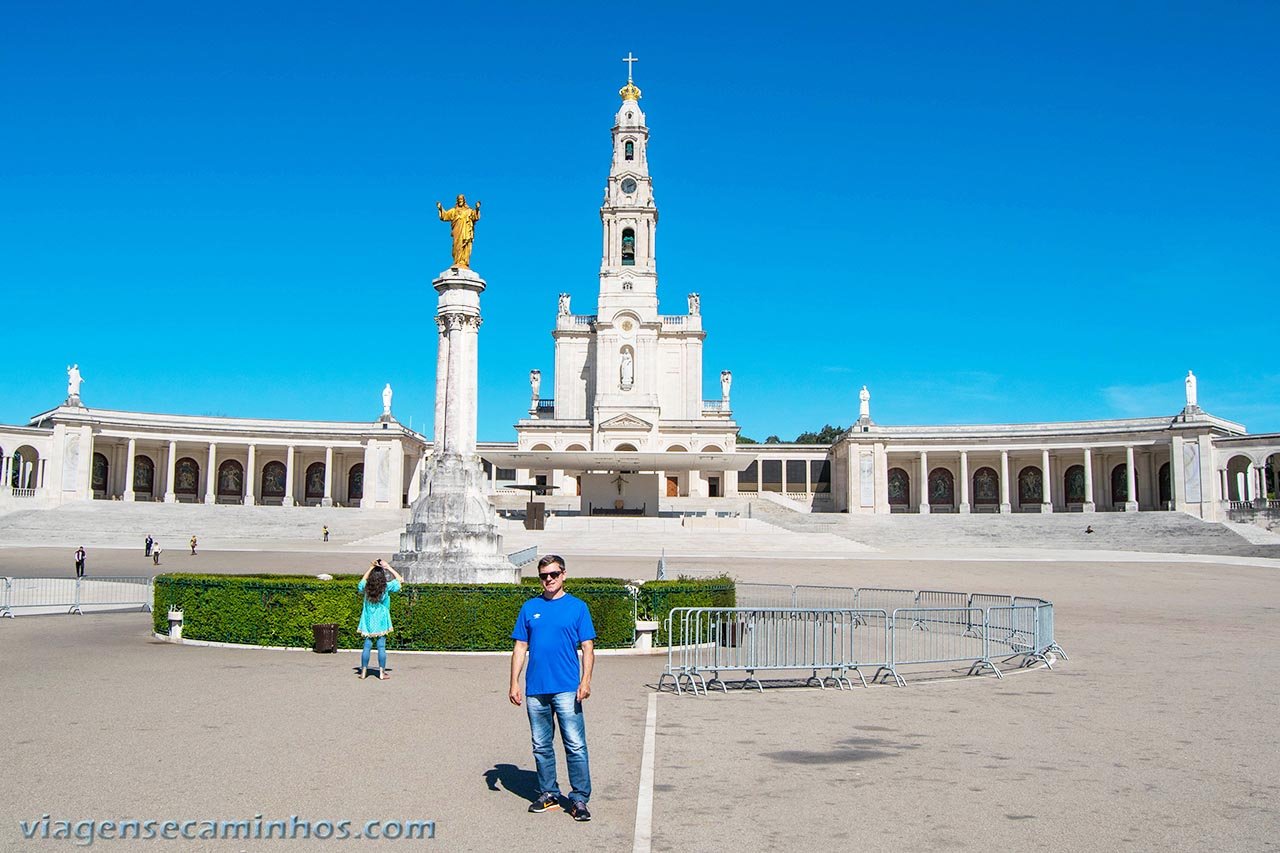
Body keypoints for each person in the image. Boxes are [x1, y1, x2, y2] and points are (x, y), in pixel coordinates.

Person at [509, 555, 595, 822]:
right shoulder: (529, 607)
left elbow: (588, 648)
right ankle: (549, 793)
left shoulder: (577, 607)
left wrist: (586, 680)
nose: (548, 580)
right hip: (536, 688)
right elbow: (520, 647)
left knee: (575, 745)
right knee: (541, 745)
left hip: (568, 687)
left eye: (553, 574)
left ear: (564, 575)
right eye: (544, 576)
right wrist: (514, 681)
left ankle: (579, 798)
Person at [357, 559, 403, 680]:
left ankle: (363, 672)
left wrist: (371, 568)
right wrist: (388, 568)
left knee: (367, 646)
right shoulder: (386, 587)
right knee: (381, 647)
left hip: (368, 619)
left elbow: (361, 581)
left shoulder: (366, 587)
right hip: (382, 619)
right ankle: (382, 673)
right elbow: (400, 580)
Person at [437, 194, 482, 268]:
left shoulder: (469, 211)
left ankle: (464, 262)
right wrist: (440, 208)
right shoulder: (454, 210)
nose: (460, 200)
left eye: (461, 199)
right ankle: (457, 261)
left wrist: (477, 208)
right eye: (459, 199)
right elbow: (445, 216)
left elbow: (475, 217)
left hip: (466, 231)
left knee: (466, 246)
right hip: (457, 231)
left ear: (464, 200)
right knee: (456, 245)